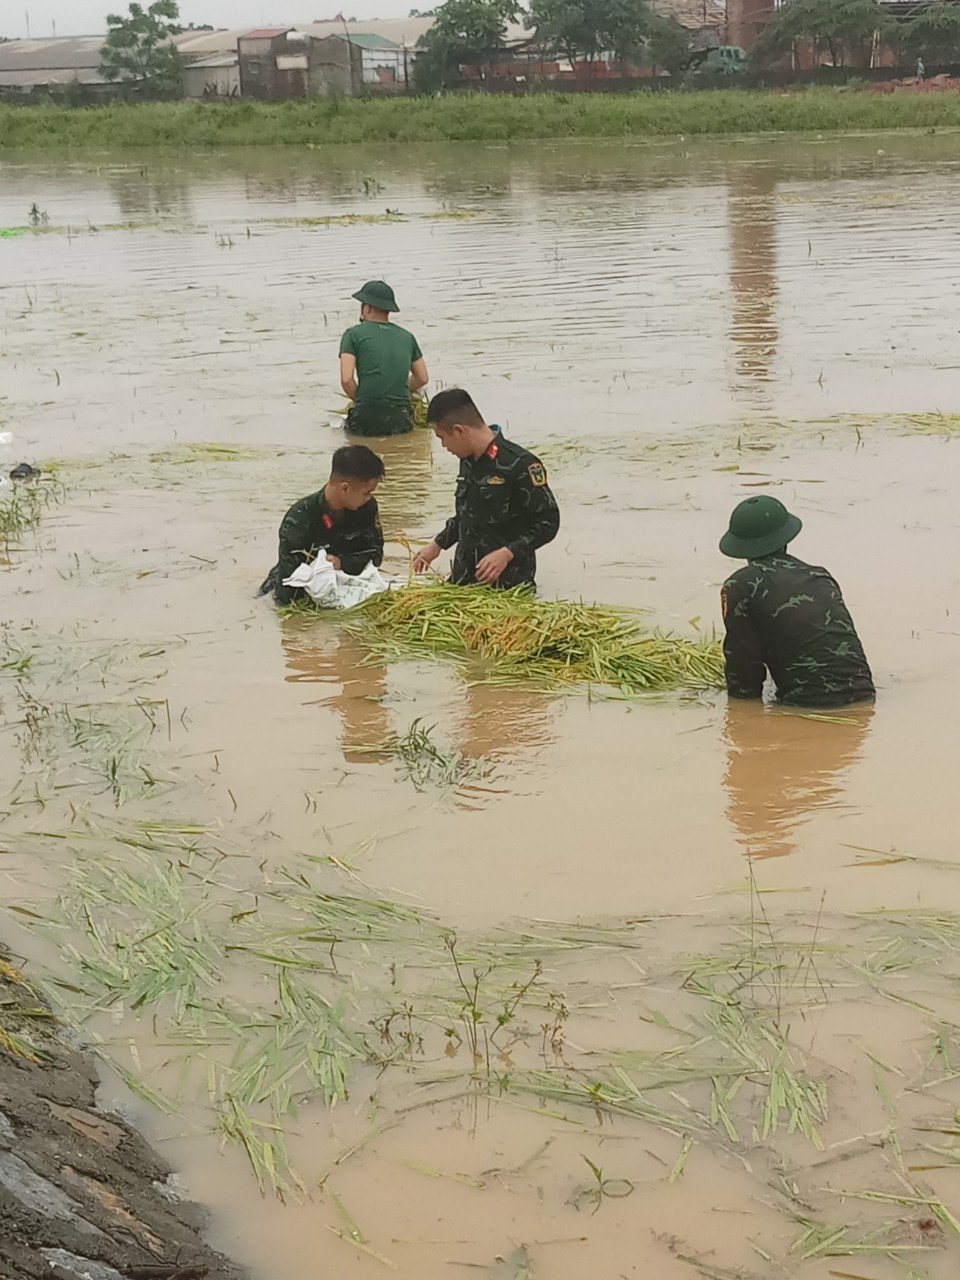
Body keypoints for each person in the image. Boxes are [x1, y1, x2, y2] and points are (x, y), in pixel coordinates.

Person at [719, 495, 875, 708]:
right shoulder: (820, 576)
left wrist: (741, 717)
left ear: (741, 547)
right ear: (786, 538)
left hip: (806, 704)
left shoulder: (739, 585)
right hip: (864, 696)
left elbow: (743, 664)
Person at [413, 388, 560, 590]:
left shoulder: (521, 464)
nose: (444, 446)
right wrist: (437, 544)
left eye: (442, 438)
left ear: (459, 431)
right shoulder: (467, 461)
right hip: (463, 584)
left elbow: (548, 521)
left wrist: (507, 553)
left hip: (508, 589)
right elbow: (469, 515)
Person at [259, 445, 385, 605]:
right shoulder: (299, 518)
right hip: (297, 594)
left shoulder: (367, 508)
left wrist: (342, 563)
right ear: (345, 488)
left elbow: (375, 555)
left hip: (348, 588)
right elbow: (288, 587)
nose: (369, 498)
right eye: (366, 493)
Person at [339, 280, 428, 437]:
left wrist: (361, 400)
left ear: (367, 308)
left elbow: (347, 380)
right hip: (401, 417)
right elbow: (422, 378)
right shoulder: (407, 337)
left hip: (365, 417)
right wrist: (399, 392)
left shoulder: (352, 335)